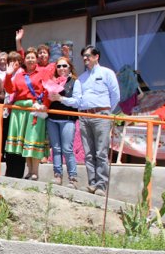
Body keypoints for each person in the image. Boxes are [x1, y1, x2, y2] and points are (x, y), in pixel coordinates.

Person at [50, 45, 120, 195]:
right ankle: (92, 183)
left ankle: (101, 185)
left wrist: (105, 111)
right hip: (84, 116)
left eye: (88, 56)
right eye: (84, 57)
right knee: (89, 152)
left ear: (96, 57)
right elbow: (78, 101)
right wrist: (62, 99)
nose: (85, 59)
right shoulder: (81, 78)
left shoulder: (107, 73)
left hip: (101, 116)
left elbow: (115, 96)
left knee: (101, 152)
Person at [4, 47, 56, 180]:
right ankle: (29, 172)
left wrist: (44, 105)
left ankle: (35, 172)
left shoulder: (43, 72)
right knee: (24, 141)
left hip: (35, 109)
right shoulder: (20, 74)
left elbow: (48, 90)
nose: (30, 60)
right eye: (28, 58)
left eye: (33, 57)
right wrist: (8, 75)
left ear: (37, 59)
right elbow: (10, 89)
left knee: (34, 139)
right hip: (20, 110)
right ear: (24, 60)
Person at [46, 57, 79, 188]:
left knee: (67, 148)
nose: (61, 69)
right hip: (52, 118)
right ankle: (57, 175)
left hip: (67, 119)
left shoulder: (75, 82)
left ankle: (73, 178)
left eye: (64, 66)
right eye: (58, 66)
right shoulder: (52, 81)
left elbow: (77, 101)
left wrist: (61, 98)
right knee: (56, 149)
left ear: (70, 67)